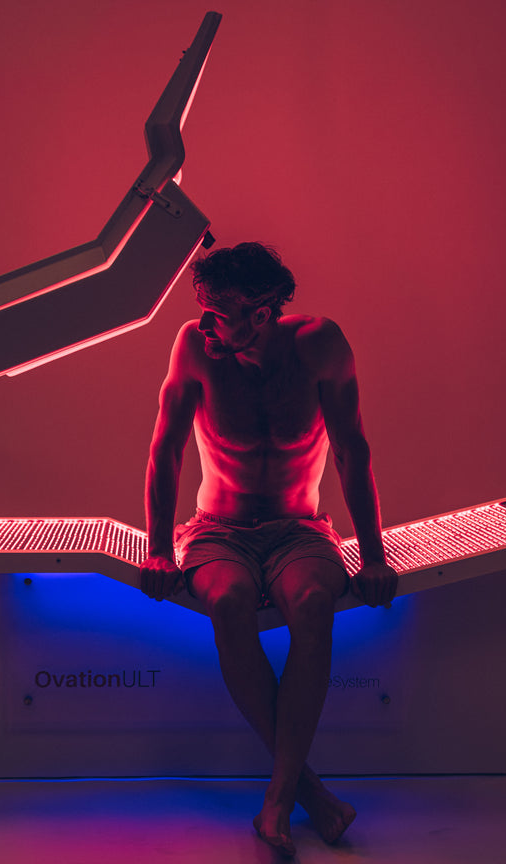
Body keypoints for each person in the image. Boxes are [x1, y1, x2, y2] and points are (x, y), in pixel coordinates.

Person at [139, 241, 398, 855]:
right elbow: (165, 450)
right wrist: (159, 549)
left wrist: (374, 555)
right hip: (217, 529)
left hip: (299, 528)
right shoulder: (193, 347)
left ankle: (278, 801)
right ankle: (307, 795)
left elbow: (352, 450)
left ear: (260, 314)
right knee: (229, 603)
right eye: (202, 309)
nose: (204, 323)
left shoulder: (319, 345)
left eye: (218, 313)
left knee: (312, 605)